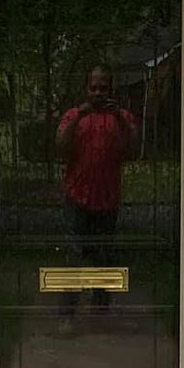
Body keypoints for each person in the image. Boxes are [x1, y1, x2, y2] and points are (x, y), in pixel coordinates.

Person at [55, 65, 140, 264]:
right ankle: (72, 295)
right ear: (86, 89)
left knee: (103, 260)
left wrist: (119, 117)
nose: (98, 93)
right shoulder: (72, 115)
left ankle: (100, 296)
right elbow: (59, 146)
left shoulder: (123, 118)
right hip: (77, 198)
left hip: (107, 200)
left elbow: (135, 149)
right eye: (93, 88)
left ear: (111, 90)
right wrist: (78, 118)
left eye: (103, 88)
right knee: (74, 258)